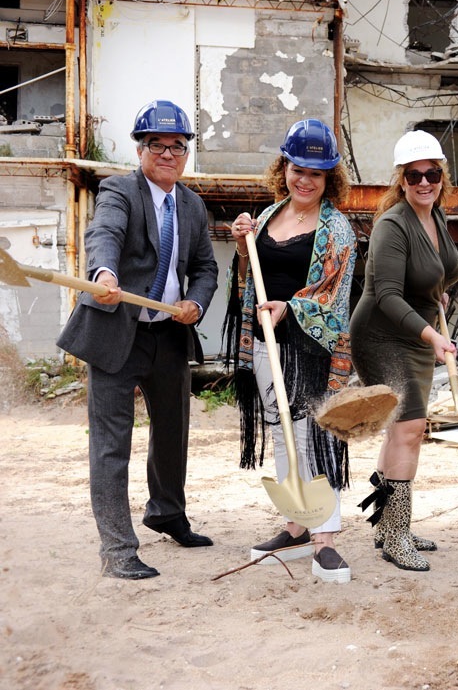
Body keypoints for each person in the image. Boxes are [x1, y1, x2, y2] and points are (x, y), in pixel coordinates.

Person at [57, 100, 219, 580]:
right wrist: (104, 272)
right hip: (115, 331)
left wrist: (197, 302)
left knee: (172, 432)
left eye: (177, 146)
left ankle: (166, 513)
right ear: (141, 148)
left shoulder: (191, 205)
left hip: (168, 333)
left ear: (186, 151)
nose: (168, 154)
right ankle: (118, 549)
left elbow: (207, 267)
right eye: (157, 145)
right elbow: (103, 234)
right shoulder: (118, 191)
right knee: (111, 444)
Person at [225, 118, 356, 584]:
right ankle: (297, 526)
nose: (304, 179)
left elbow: (336, 294)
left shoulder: (338, 229)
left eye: (315, 173)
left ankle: (327, 539)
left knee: (313, 437)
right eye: (297, 169)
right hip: (264, 343)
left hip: (309, 348)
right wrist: (243, 244)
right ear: (283, 168)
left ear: (329, 179)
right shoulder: (265, 217)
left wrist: (291, 307)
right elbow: (247, 271)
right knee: (281, 432)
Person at [351, 130, 458, 572]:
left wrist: (438, 293)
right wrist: (433, 336)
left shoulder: (436, 218)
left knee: (402, 430)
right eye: (414, 175)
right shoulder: (392, 226)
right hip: (383, 336)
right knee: (411, 426)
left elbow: (442, 272)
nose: (424, 182)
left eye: (432, 174)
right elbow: (387, 296)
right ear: (401, 180)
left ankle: (386, 524)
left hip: (413, 333)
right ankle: (396, 535)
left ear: (441, 177)